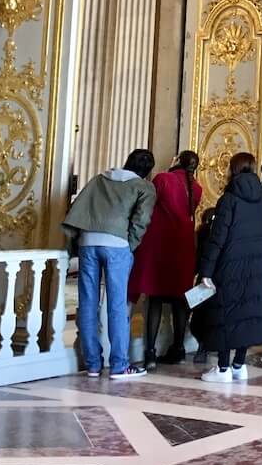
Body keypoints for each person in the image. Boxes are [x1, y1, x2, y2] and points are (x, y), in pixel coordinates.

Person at [63, 149, 157, 380]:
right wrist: (129, 244)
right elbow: (141, 220)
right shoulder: (143, 187)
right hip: (117, 245)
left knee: (87, 302)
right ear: (147, 171)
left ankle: (92, 364)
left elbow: (79, 207)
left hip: (88, 242)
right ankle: (119, 365)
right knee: (116, 304)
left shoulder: (100, 179)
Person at [197, 152, 262, 383]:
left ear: (233, 169)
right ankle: (239, 365)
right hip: (258, 264)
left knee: (227, 315)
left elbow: (217, 238)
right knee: (248, 315)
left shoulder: (229, 199)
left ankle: (223, 368)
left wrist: (206, 271)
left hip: (229, 264)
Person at [128, 150, 202, 369]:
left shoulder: (163, 179)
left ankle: (150, 353)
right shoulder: (196, 187)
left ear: (176, 160)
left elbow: (148, 204)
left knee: (156, 298)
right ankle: (178, 349)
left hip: (160, 242)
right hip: (183, 243)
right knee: (180, 300)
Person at [190, 206, 217, 365]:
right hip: (216, 281)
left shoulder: (202, 234)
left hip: (203, 280)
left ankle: (203, 347)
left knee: (198, 318)